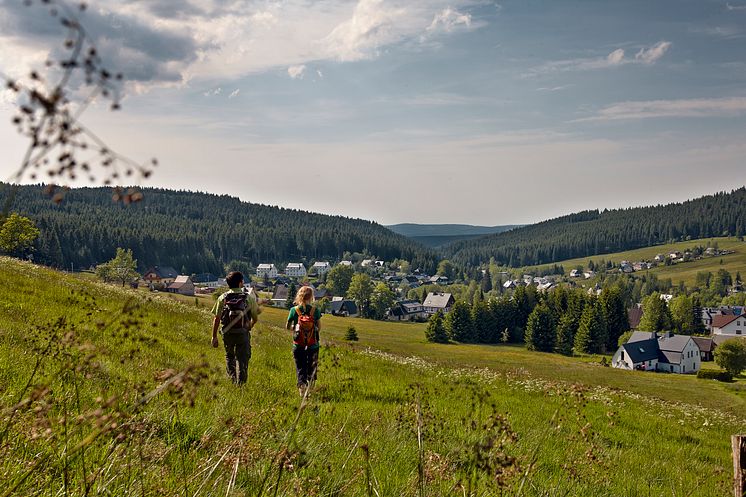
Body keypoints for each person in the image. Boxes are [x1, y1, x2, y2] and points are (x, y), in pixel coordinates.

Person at [211, 271, 259, 385]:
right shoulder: (248, 298)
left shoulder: (222, 298)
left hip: (227, 333)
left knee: (230, 356)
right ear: (240, 283)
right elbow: (255, 318)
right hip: (243, 333)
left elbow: (216, 318)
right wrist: (249, 326)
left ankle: (232, 380)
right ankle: (241, 384)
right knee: (243, 358)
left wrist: (214, 337)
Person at [286, 285, 322, 396]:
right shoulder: (315, 311)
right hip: (313, 345)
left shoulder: (294, 310)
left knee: (300, 367)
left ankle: (302, 388)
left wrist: (296, 329)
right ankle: (310, 389)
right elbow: (319, 327)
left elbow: (287, 326)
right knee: (312, 367)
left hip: (298, 345)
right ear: (311, 297)